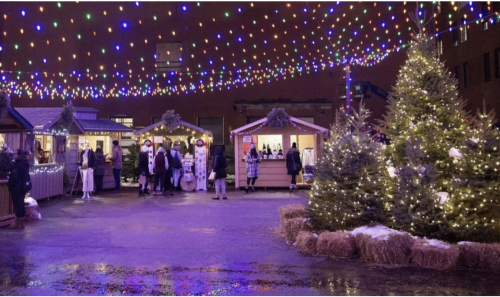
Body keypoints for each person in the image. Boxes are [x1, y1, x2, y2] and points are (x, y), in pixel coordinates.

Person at [7, 149, 31, 229]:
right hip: (23, 187)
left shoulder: (17, 164)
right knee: (21, 204)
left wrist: (10, 184)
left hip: (16, 187)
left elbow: (14, 176)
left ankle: (17, 223)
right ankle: (21, 223)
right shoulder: (25, 163)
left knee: (17, 205)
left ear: (18, 155)